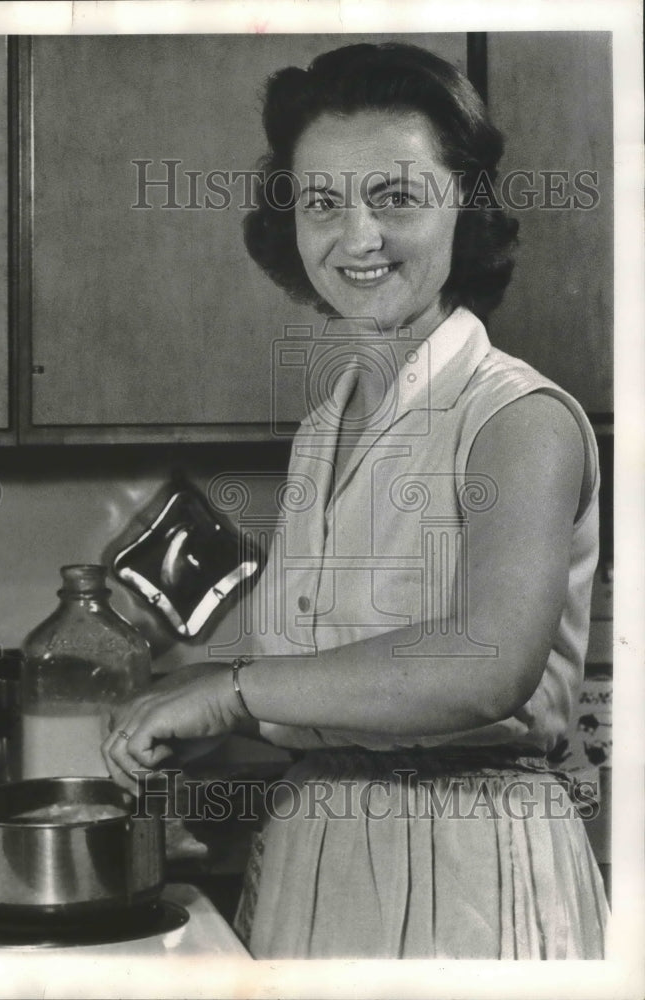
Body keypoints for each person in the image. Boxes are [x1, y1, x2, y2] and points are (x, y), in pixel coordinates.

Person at [102, 42, 609, 959]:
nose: (358, 237)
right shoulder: (321, 432)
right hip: (316, 852)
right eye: (324, 203)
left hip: (474, 870)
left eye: (397, 197)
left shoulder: (519, 417)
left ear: (467, 207)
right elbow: (338, 688)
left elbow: (486, 664)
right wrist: (198, 730)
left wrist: (229, 695)